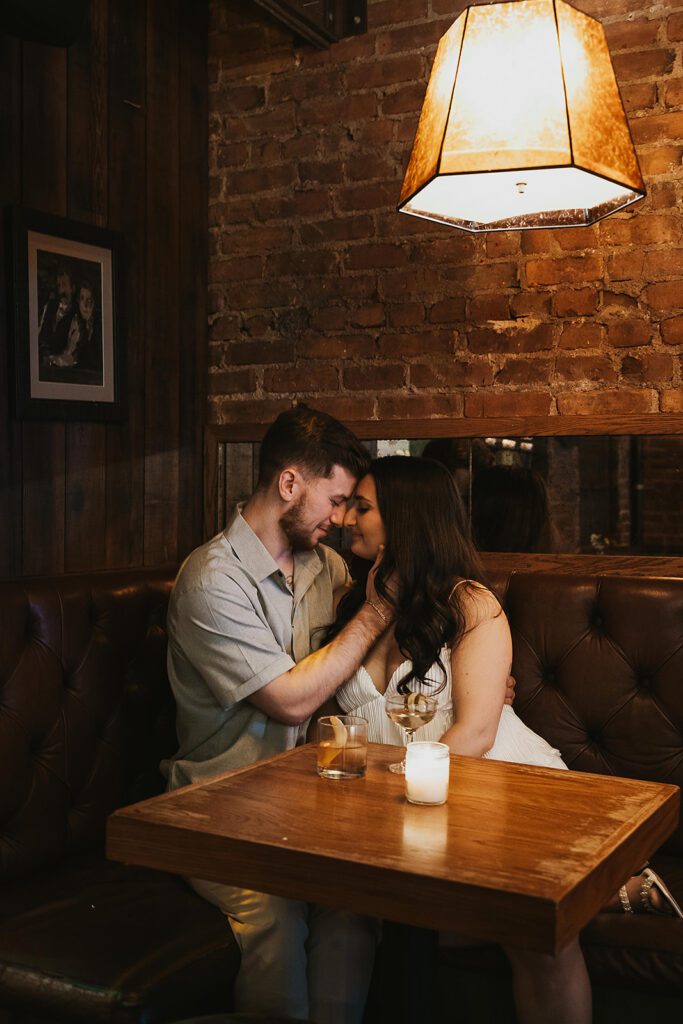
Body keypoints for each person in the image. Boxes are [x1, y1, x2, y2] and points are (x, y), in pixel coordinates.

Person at [328, 455, 681, 1024]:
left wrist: (389, 790)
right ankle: (615, 891)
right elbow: (340, 717)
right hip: (397, 807)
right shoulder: (356, 602)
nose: (346, 517)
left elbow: (476, 732)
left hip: (489, 788)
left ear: (406, 518)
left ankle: (594, 892)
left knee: (536, 936)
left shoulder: (470, 603)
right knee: (391, 922)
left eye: (362, 507)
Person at [163, 405, 393, 1024]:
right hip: (218, 811)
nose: (341, 519)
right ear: (289, 484)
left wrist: (465, 673)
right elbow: (292, 696)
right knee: (276, 911)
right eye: (336, 499)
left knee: (353, 905)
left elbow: (368, 662)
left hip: (305, 811)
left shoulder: (327, 567)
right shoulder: (211, 580)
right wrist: (374, 614)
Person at [49, 280, 102, 373]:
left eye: (89, 300)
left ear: (94, 303)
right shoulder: (70, 321)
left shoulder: (98, 328)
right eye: (82, 299)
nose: (85, 305)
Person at [38, 265, 76, 362]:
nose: (61, 290)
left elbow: (70, 355)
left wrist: (51, 360)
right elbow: (39, 334)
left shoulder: (76, 315)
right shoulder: (49, 307)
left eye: (64, 284)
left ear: (72, 288)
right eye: (59, 285)